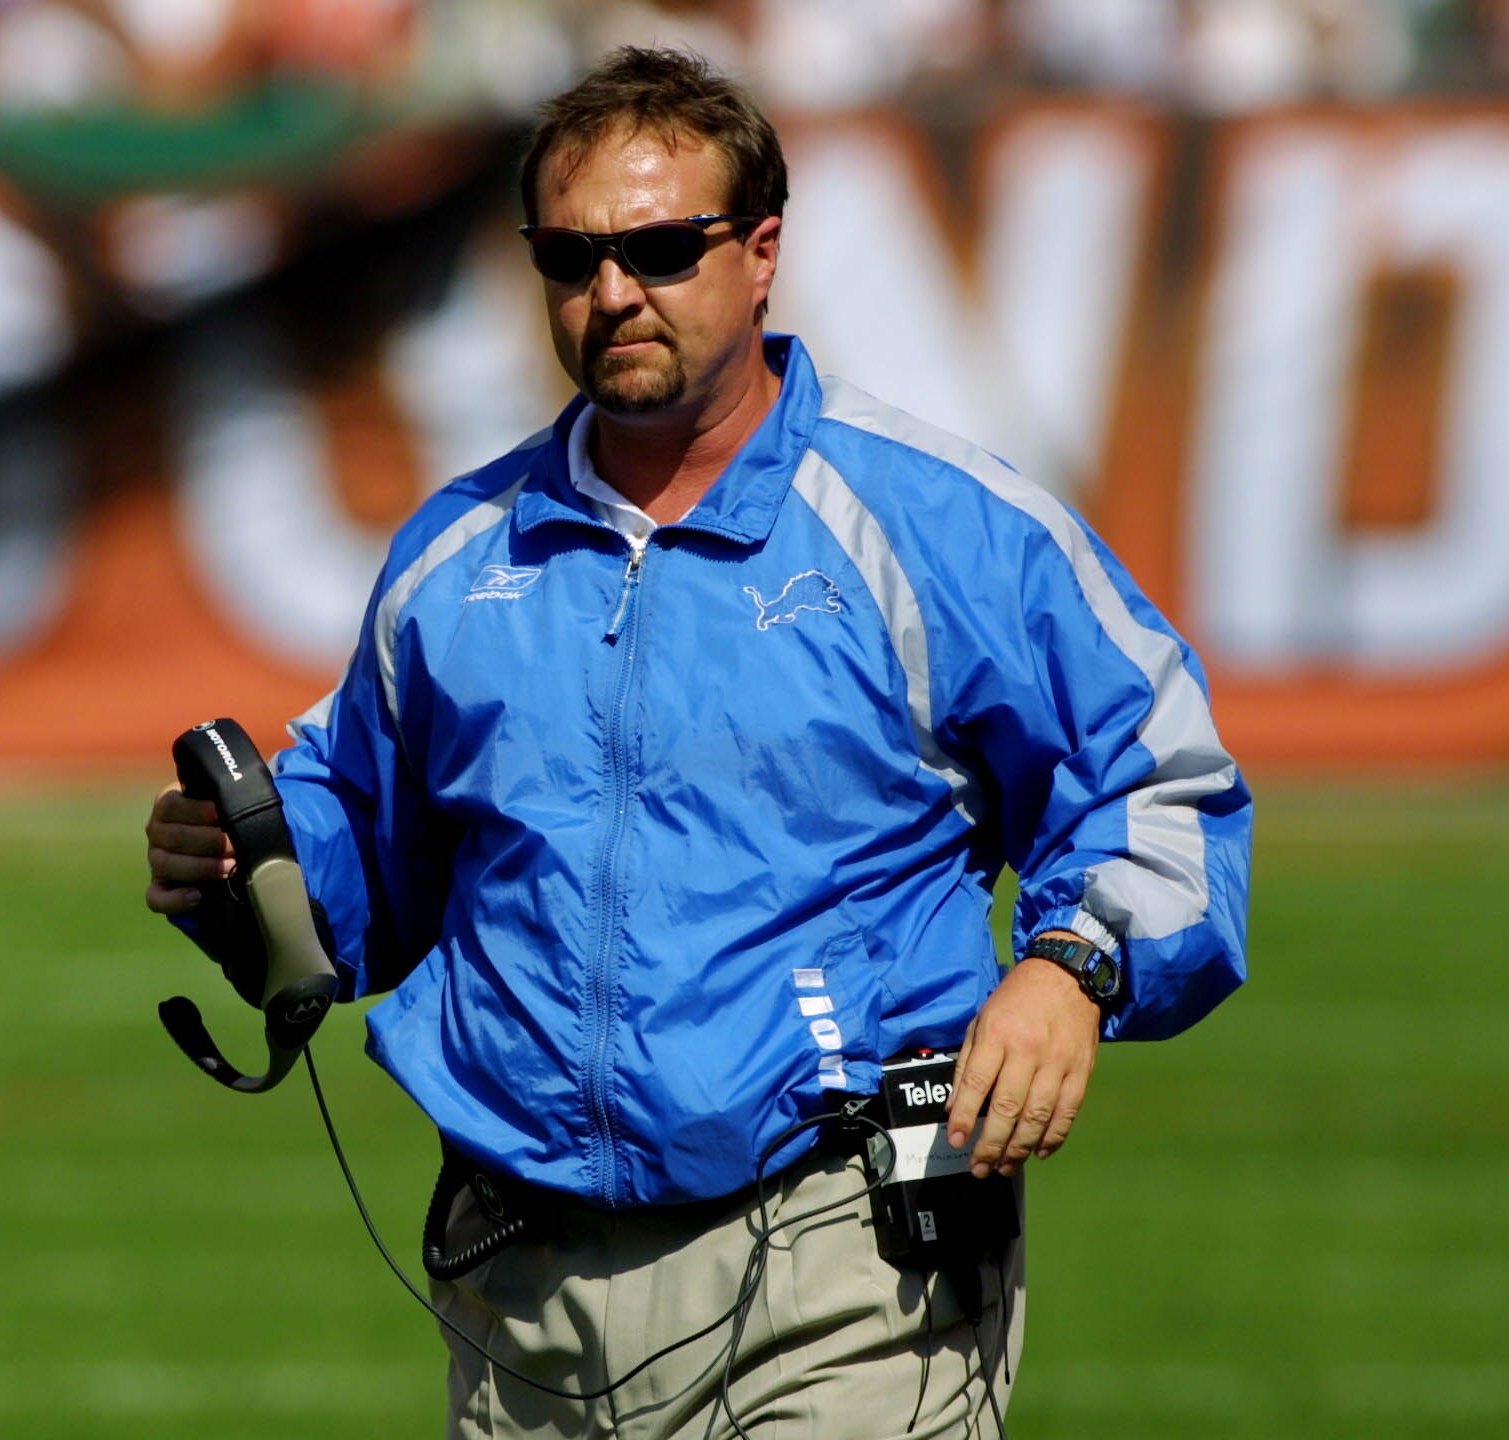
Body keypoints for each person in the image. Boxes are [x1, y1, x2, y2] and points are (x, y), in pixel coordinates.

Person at [146, 45, 1251, 1439]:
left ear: (762, 251)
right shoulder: (454, 554)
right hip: (522, 1282)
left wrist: (1073, 968)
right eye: (571, 257)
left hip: (851, 1256)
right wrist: (240, 864)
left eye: (662, 248)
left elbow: (1164, 780)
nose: (613, 293)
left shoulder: (942, 524)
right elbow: (362, 862)